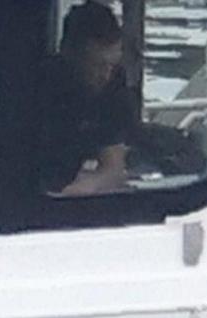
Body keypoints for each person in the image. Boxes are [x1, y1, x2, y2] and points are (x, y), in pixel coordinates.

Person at [43, 2, 138, 195]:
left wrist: (87, 187)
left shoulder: (113, 88)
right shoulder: (34, 86)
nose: (105, 75)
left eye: (111, 65)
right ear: (69, 53)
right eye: (96, 65)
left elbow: (114, 166)